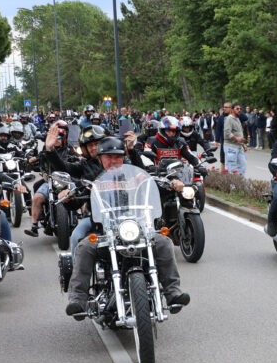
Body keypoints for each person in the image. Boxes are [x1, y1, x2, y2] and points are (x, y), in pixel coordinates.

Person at [64, 136, 189, 317]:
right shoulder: (92, 179)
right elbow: (74, 200)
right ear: (100, 158)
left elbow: (151, 183)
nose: (113, 161)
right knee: (84, 247)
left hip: (137, 229)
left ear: (123, 158)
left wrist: (172, 184)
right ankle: (77, 299)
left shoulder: (134, 176)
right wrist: (68, 195)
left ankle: (172, 293)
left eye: (118, 157)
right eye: (109, 157)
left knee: (163, 242)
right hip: (104, 233)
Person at [222, 103, 247, 175]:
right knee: (231, 167)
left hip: (239, 146)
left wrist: (243, 144)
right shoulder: (229, 119)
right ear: (232, 110)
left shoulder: (237, 119)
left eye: (240, 109)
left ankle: (239, 181)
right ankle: (231, 182)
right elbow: (227, 133)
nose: (239, 110)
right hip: (231, 146)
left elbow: (239, 133)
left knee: (242, 166)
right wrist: (237, 139)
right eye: (237, 109)